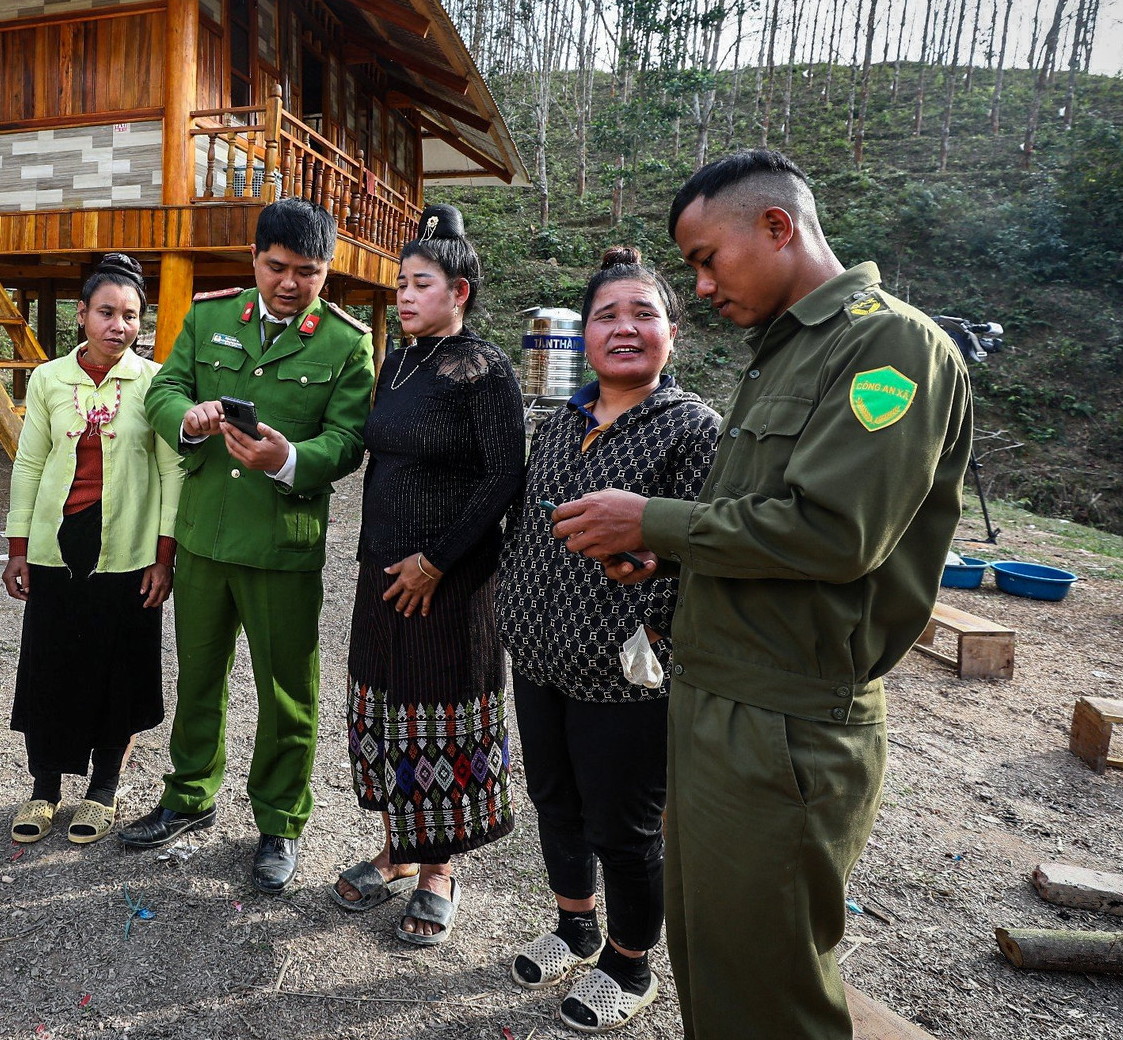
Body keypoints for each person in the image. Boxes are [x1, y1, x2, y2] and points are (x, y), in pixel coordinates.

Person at [551, 149, 974, 1040]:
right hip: (716, 700)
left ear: (777, 226)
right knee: (714, 959)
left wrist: (653, 520)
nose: (701, 286)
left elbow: (833, 532)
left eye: (707, 259)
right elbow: (755, 526)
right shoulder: (782, 352)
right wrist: (668, 555)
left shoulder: (888, 346)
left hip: (786, 722)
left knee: (769, 990)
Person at [121, 197, 375, 894]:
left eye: (308, 271)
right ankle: (189, 794)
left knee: (286, 691)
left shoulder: (345, 342)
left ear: (327, 272)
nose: (290, 283)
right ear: (254, 260)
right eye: (277, 267)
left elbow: (348, 441)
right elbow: (164, 389)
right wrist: (190, 417)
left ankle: (280, 819)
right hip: (205, 536)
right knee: (198, 676)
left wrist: (287, 459)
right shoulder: (209, 317)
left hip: (282, 545)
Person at [494, 246, 719, 1031]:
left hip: (628, 671)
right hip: (539, 655)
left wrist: (653, 628)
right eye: (607, 315)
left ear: (673, 332)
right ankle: (575, 925)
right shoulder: (562, 422)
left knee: (623, 826)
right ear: (584, 335)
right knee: (553, 799)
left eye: (643, 313)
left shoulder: (693, 428)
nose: (624, 328)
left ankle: (629, 962)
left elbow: (703, 550)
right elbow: (529, 526)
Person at [331, 204, 524, 946]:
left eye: (421, 283)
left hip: (449, 581)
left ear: (459, 291)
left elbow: (503, 478)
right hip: (381, 570)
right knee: (387, 709)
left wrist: (436, 561)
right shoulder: (399, 360)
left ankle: (439, 869)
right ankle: (399, 850)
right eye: (402, 283)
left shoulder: (484, 368)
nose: (405, 295)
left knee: (437, 714)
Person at [2, 254, 182, 846]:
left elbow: (172, 470)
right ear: (82, 314)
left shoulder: (155, 383)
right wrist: (19, 546)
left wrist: (163, 556)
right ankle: (44, 788)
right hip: (58, 544)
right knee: (50, 666)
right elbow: (30, 463)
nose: (118, 326)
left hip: (128, 547)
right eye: (106, 312)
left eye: (131, 315)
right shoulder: (49, 380)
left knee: (117, 670)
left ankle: (104, 789)